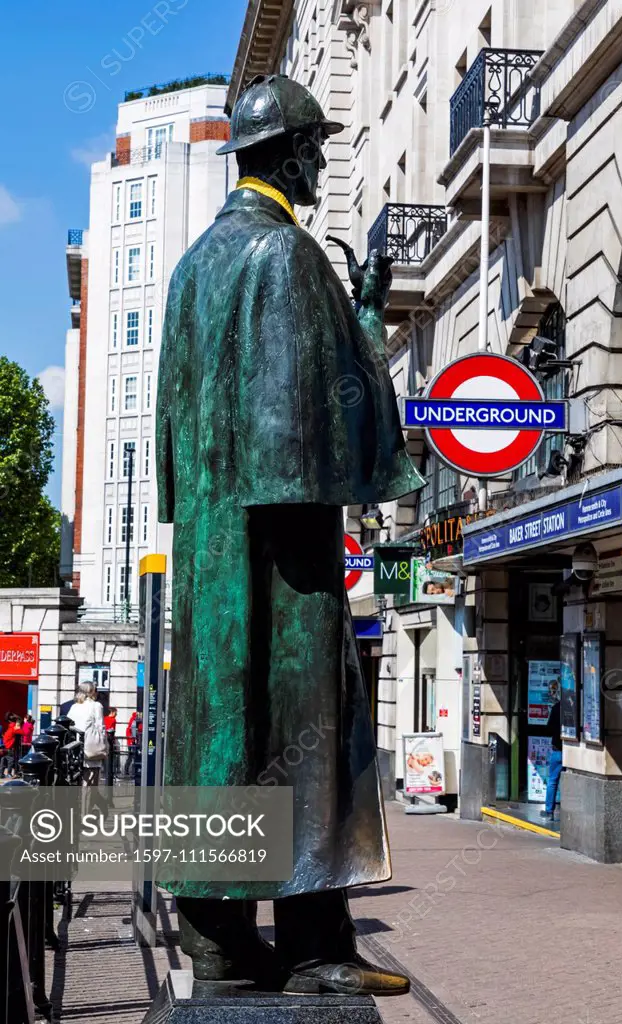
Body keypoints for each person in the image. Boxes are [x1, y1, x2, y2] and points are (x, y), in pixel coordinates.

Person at [155, 74, 423, 994]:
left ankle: (217, 941)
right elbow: (321, 422)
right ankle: (316, 949)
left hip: (209, 546)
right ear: (294, 155)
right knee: (311, 722)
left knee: (221, 725)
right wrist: (369, 321)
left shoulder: (194, 267)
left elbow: (170, 434)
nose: (320, 165)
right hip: (286, 546)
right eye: (317, 150)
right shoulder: (289, 255)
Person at [68, 683, 107, 790]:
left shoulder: (74, 707)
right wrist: (105, 745)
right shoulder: (96, 706)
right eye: (95, 690)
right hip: (92, 749)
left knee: (79, 782)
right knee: (91, 783)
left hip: (75, 749)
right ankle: (86, 807)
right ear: (91, 692)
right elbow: (101, 728)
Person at [541, 698, 562, 821]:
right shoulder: (576, 706)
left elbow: (548, 728)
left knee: (553, 781)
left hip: (557, 750)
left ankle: (549, 811)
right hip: (571, 750)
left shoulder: (556, 708)